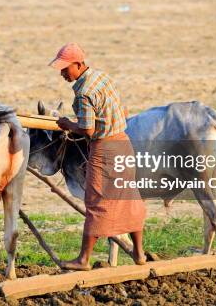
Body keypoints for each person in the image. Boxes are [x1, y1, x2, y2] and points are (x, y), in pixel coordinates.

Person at [49, 42, 147, 271]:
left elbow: (88, 130)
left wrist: (67, 124)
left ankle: (83, 259)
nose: (63, 73)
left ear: (79, 64)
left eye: (66, 69)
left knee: (96, 201)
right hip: (123, 143)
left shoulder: (83, 93)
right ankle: (139, 254)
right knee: (129, 196)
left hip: (104, 150)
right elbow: (122, 111)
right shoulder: (103, 77)